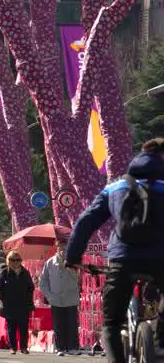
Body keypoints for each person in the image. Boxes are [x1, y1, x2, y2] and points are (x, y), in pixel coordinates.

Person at [67, 137, 164, 363]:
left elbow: (85, 222)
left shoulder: (115, 187)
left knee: (111, 323)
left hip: (122, 259)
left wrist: (73, 257)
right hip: (160, 260)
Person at [39, 248, 81, 356]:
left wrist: (69, 267)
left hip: (71, 298)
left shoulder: (74, 262)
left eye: (65, 248)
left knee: (72, 324)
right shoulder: (50, 262)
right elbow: (43, 281)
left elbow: (78, 279)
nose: (63, 251)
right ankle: (60, 348)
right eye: (61, 248)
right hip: (56, 299)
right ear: (57, 249)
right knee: (58, 324)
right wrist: (49, 295)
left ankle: (73, 347)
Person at [0, 251, 35, 354]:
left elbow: (31, 287)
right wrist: (1, 298)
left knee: (23, 328)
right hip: (9, 305)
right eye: (12, 260)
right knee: (11, 328)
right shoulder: (4, 273)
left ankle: (24, 347)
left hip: (23, 305)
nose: (15, 262)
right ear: (8, 261)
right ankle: (12, 347)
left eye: (18, 260)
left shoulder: (25, 273)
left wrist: (29, 301)